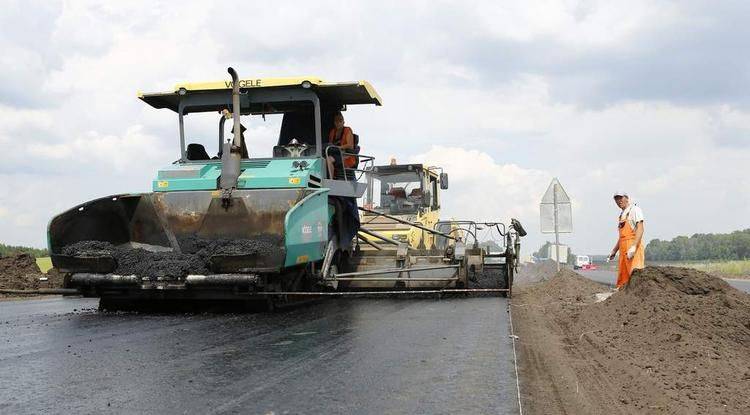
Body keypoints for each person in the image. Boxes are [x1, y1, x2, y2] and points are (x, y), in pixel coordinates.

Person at [608, 191, 645, 288]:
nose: (618, 201)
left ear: (627, 198)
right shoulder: (621, 215)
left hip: (633, 247)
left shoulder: (635, 210)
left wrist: (633, 247)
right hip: (623, 249)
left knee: (635, 274)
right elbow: (622, 237)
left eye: (621, 198)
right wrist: (614, 250)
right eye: (616, 199)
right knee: (623, 277)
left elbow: (640, 229)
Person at [326, 112, 356, 178]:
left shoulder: (347, 130)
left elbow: (350, 145)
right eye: (336, 121)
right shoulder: (332, 132)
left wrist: (339, 147)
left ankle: (332, 179)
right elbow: (330, 145)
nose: (338, 123)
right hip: (335, 154)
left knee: (329, 159)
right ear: (334, 122)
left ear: (343, 122)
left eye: (340, 120)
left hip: (346, 155)